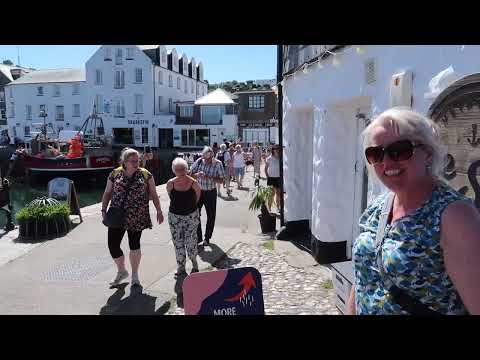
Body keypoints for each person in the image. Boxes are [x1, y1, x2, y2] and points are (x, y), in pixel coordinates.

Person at [346, 107, 480, 315]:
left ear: (427, 153)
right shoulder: (378, 207)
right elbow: (365, 276)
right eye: (376, 154)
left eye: (400, 150)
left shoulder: (454, 216)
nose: (387, 162)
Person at [101, 148, 164, 287]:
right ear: (125, 161)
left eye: (138, 161)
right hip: (118, 215)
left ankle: (135, 275)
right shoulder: (115, 173)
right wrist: (103, 209)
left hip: (138, 215)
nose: (137, 163)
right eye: (133, 161)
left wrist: (159, 210)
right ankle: (121, 271)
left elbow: (153, 194)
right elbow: (107, 193)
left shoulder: (145, 174)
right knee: (113, 245)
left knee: (134, 244)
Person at [167, 158, 202, 278]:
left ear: (187, 169)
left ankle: (194, 262)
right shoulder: (170, 183)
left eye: (183, 169)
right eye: (177, 170)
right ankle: (181, 266)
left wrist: (190, 208)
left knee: (191, 240)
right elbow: (171, 196)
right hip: (174, 217)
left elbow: (197, 197)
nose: (180, 172)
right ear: (174, 171)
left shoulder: (194, 183)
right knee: (177, 242)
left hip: (191, 216)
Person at [190, 146, 225, 246]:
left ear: (212, 156)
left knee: (211, 215)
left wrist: (209, 177)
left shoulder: (218, 164)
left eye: (208, 159)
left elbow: (221, 180)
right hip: (199, 192)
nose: (206, 160)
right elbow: (190, 174)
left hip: (210, 192)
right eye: (205, 158)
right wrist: (197, 175)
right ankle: (198, 237)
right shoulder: (200, 161)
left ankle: (207, 238)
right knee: (195, 213)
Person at [265, 145, 281, 212]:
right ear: (273, 150)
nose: (276, 150)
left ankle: (278, 207)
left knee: (278, 194)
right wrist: (268, 177)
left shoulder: (281, 158)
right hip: (271, 178)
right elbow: (265, 169)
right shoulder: (269, 158)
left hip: (279, 178)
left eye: (278, 149)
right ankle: (269, 208)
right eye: (275, 149)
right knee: (271, 194)